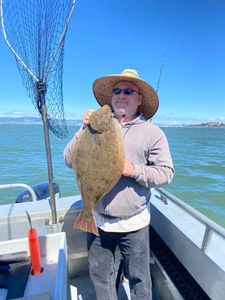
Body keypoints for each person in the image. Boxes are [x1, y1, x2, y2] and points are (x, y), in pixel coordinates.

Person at [64, 69, 174, 300]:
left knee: (140, 281)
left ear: (140, 99)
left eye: (127, 91)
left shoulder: (152, 133)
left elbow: (165, 173)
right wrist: (84, 128)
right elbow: (69, 159)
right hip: (97, 221)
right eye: (116, 91)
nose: (120, 95)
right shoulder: (93, 125)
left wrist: (131, 170)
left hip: (133, 225)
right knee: (101, 278)